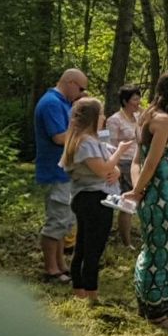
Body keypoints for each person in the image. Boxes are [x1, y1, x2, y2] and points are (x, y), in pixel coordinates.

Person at [125, 68, 168, 330]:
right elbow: (151, 161)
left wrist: (137, 189)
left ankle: (146, 301)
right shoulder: (164, 120)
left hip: (155, 193)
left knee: (152, 247)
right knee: (163, 251)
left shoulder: (145, 116)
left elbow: (136, 161)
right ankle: (156, 310)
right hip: (162, 194)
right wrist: (141, 190)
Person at [63, 96, 121, 300]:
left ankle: (80, 290)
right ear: (93, 117)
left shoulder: (93, 140)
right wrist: (120, 152)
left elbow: (108, 168)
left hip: (94, 197)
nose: (104, 117)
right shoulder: (85, 142)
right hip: (94, 200)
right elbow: (102, 169)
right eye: (102, 113)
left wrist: (116, 172)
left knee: (84, 245)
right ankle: (91, 293)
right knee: (92, 248)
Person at [33, 67, 87, 283]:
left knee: (65, 221)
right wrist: (86, 136)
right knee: (56, 221)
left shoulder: (63, 102)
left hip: (65, 173)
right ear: (71, 82)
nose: (82, 92)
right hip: (55, 172)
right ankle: (51, 270)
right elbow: (59, 137)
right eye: (81, 88)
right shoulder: (51, 103)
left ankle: (61, 266)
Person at [106, 86, 143, 248]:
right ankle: (126, 242)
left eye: (138, 98)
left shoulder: (139, 117)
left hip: (140, 162)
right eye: (135, 99)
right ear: (125, 101)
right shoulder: (114, 120)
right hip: (124, 163)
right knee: (127, 202)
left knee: (140, 199)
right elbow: (109, 146)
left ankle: (139, 235)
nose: (138, 102)